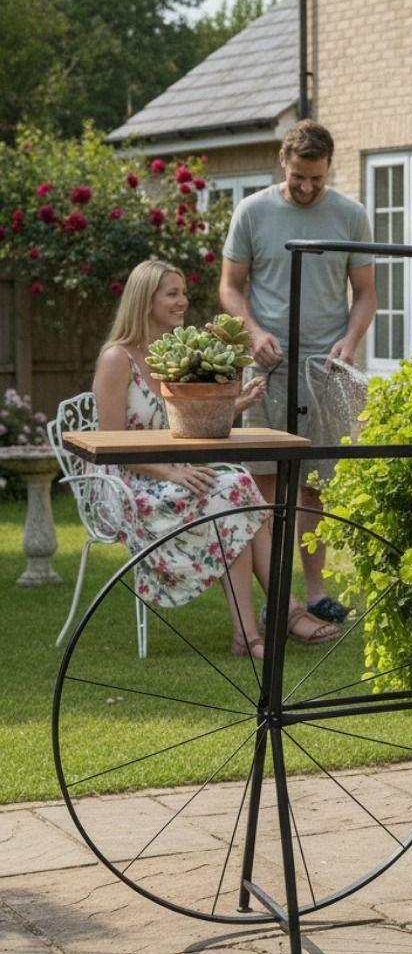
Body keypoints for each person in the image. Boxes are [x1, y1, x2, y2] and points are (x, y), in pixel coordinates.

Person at [92, 259, 340, 658]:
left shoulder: (174, 356)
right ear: (145, 299)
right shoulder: (116, 360)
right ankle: (277, 617)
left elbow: (184, 427)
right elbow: (111, 446)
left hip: (176, 473)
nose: (183, 302)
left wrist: (232, 404)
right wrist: (171, 471)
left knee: (236, 486)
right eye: (172, 293)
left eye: (183, 292)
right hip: (129, 484)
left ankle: (259, 626)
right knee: (233, 491)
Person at [219, 120, 377, 624]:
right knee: (265, 486)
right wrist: (251, 333)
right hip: (268, 370)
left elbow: (366, 294)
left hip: (323, 371)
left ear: (328, 169)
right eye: (298, 178)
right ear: (282, 163)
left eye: (317, 179)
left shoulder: (350, 216)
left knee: (316, 485)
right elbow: (229, 287)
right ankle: (276, 599)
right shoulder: (253, 211)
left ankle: (314, 594)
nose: (307, 188)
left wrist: (349, 343)